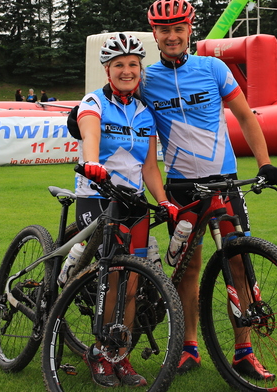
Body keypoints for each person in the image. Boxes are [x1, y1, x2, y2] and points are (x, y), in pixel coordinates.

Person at [141, 0, 277, 380]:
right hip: (181, 188)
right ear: (155, 34)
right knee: (188, 268)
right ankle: (189, 346)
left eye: (178, 28)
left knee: (238, 263)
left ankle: (243, 351)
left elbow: (246, 117)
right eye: (164, 30)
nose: (172, 36)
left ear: (190, 29)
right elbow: (116, 100)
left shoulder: (213, 68)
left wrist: (265, 163)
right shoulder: (147, 80)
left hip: (224, 183)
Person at [75, 33, 179, 388]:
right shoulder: (94, 102)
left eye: (133, 64)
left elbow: (149, 167)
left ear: (140, 69)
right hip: (98, 197)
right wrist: (92, 162)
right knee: (113, 276)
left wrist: (163, 201)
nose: (126, 70)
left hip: (133, 203)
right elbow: (89, 134)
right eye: (118, 64)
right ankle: (99, 352)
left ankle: (119, 354)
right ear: (107, 70)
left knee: (132, 282)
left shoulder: (144, 113)